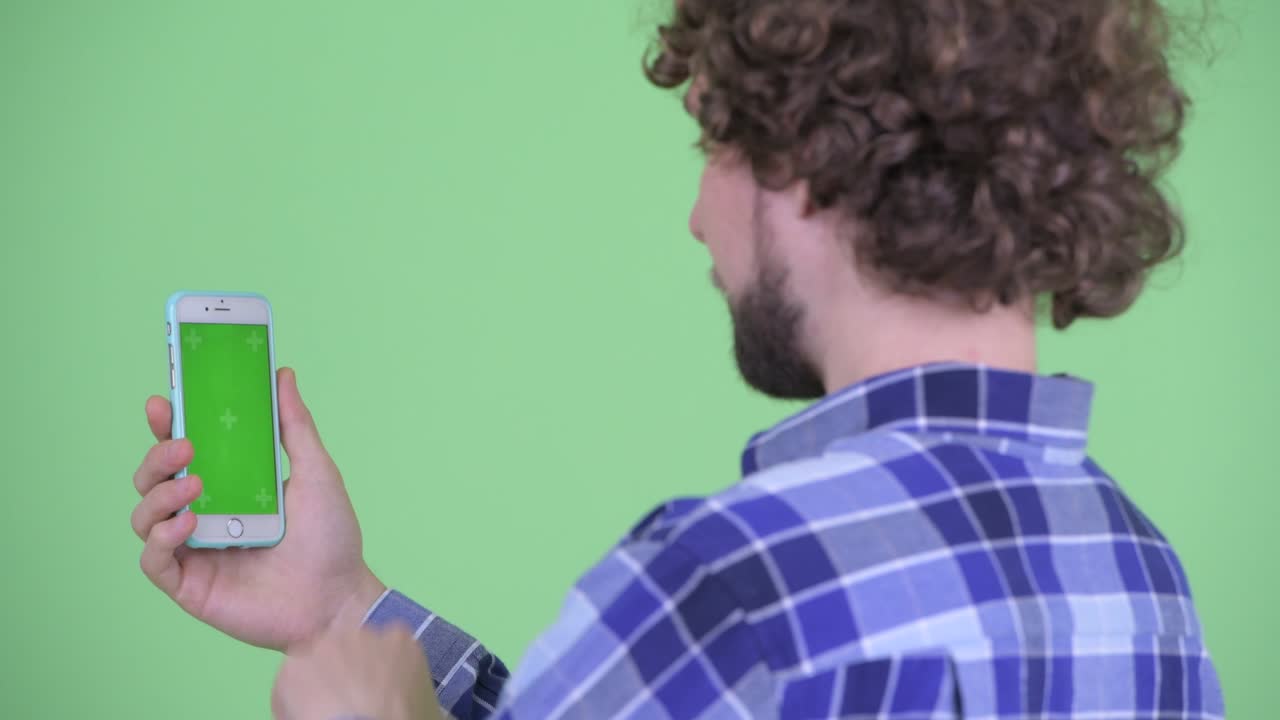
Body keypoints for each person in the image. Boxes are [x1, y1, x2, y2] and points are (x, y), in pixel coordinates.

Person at [131, 1, 1225, 717]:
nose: (698, 217)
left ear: (808, 152)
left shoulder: (732, 583)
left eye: (714, 142)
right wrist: (341, 609)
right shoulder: (1142, 574)